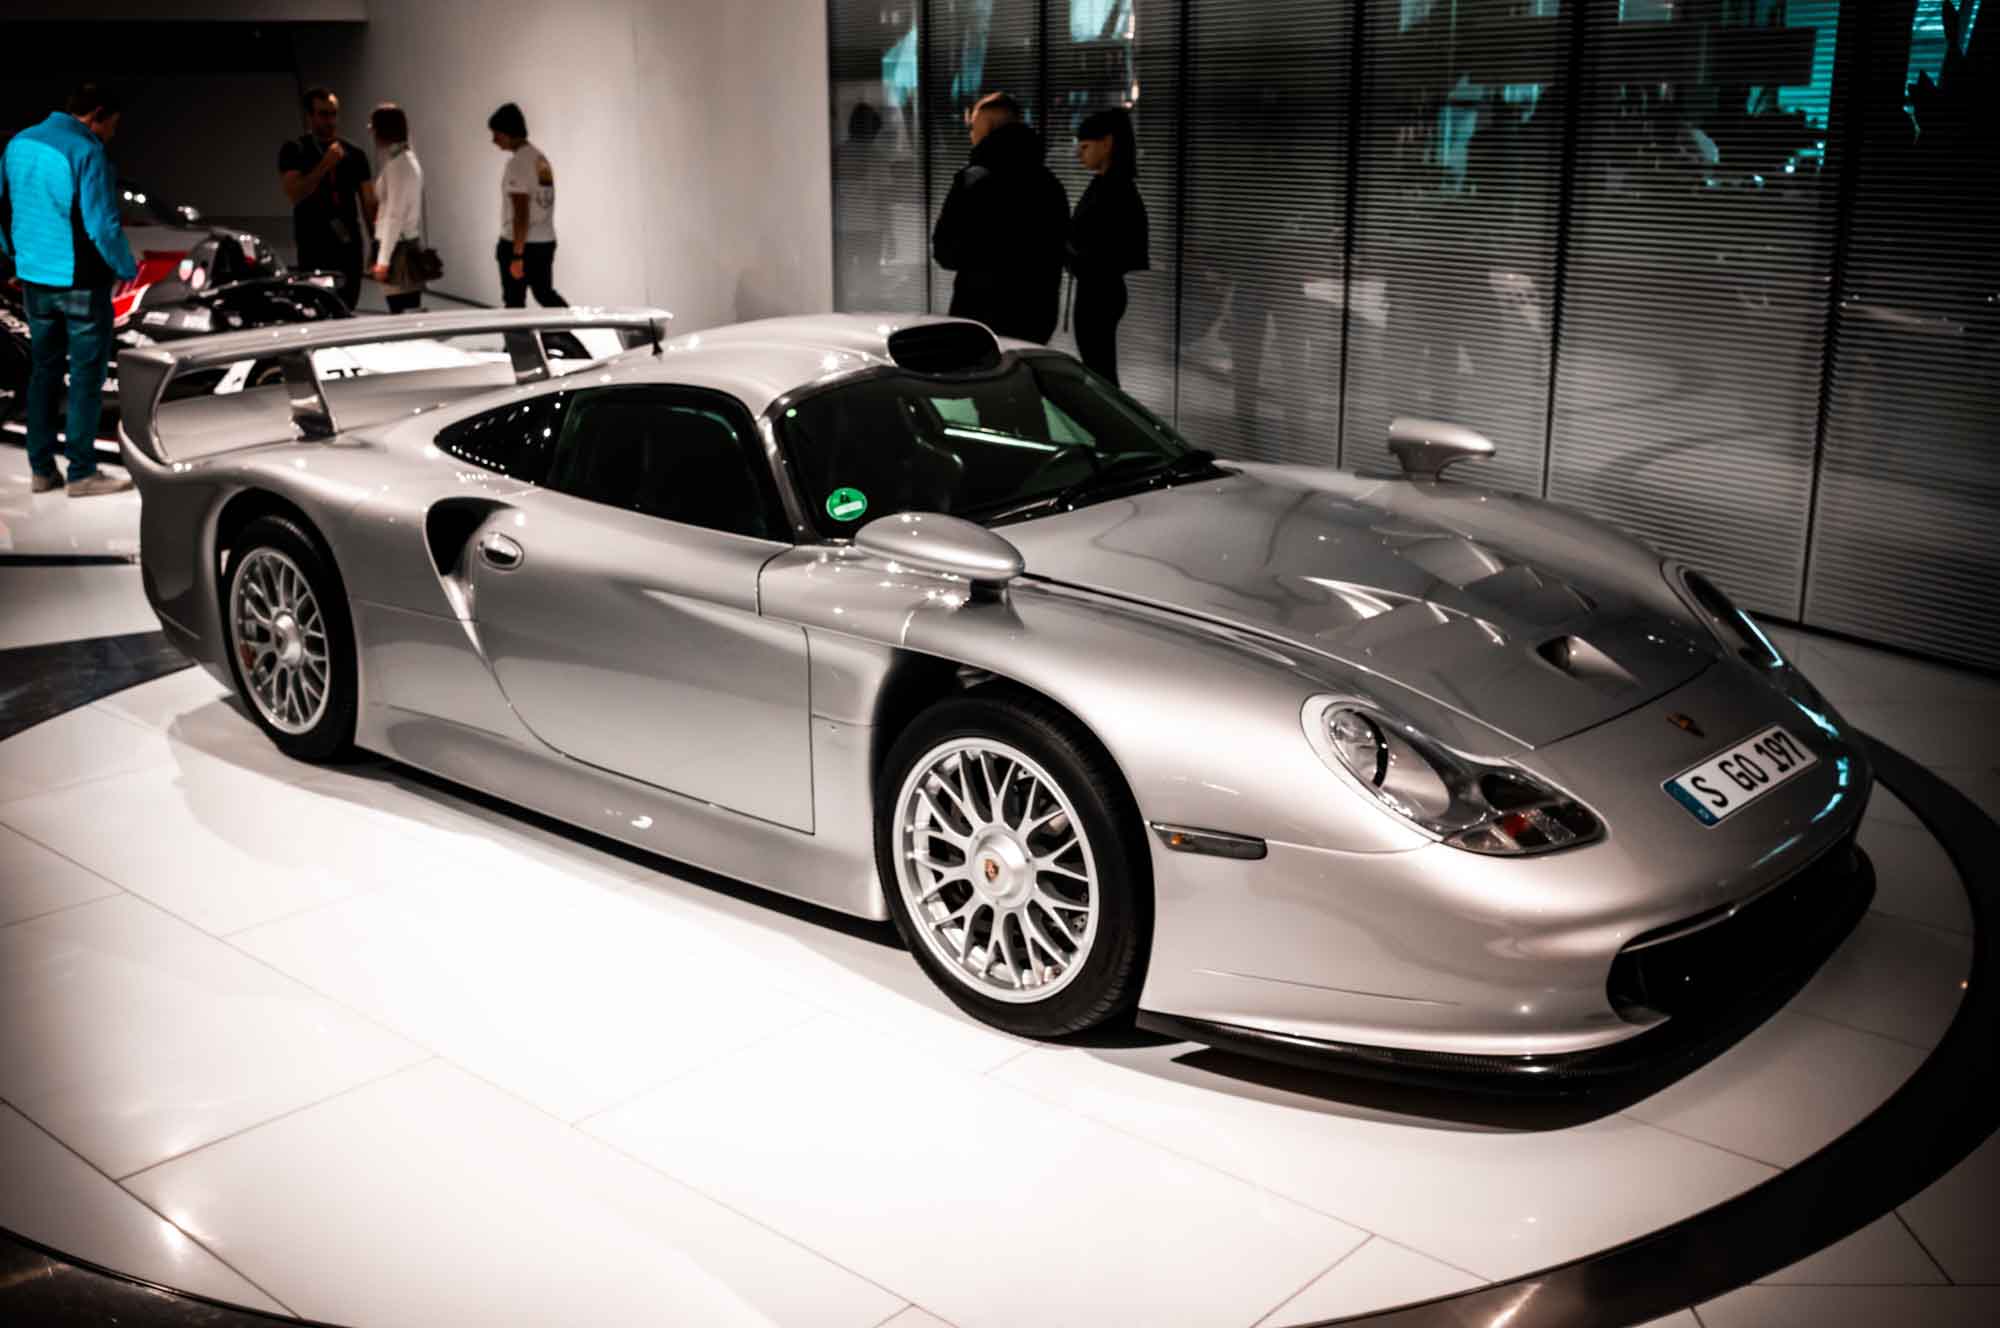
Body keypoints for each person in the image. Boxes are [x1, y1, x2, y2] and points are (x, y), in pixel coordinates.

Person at [0, 81, 138, 496]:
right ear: (97, 116)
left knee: (42, 373)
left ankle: (42, 471)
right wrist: (125, 267)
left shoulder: (19, 144)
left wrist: (15, 256)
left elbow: (3, 209)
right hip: (81, 282)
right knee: (84, 378)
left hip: (34, 279)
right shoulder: (87, 150)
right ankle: (81, 473)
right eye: (112, 125)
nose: (112, 134)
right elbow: (102, 225)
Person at [931, 91, 1067, 343]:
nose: (971, 135)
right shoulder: (1049, 183)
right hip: (1037, 313)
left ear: (987, 127)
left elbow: (945, 252)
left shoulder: (973, 181)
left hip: (981, 314)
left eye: (973, 127)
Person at [1067, 107, 1149, 385]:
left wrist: (1071, 250)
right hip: (1099, 289)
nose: (1079, 154)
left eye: (1085, 147)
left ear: (1107, 143)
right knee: (1099, 368)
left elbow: (1110, 249)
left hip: (1098, 291)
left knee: (1100, 372)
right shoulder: (1110, 186)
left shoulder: (1114, 190)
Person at [278, 87, 375, 310]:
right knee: (318, 305)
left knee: (348, 304)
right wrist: (324, 166)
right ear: (309, 116)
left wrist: (376, 242)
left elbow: (368, 203)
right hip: (314, 243)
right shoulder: (295, 150)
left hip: (348, 244)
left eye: (333, 114)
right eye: (323, 114)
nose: (330, 121)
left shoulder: (354, 153)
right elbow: (295, 193)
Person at [488, 102, 564, 307]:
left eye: (496, 134)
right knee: (545, 294)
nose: (494, 140)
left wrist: (517, 255)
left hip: (520, 245)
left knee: (514, 302)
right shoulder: (540, 159)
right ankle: (571, 325)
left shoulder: (517, 164)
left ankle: (570, 321)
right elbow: (544, 201)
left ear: (508, 132)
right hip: (545, 241)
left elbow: (521, 213)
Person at [365, 103, 426, 313]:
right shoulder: (405, 159)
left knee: (401, 312)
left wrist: (383, 261)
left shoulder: (399, 164)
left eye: (374, 128)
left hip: (398, 249)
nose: (372, 133)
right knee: (408, 310)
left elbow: (394, 216)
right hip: (404, 244)